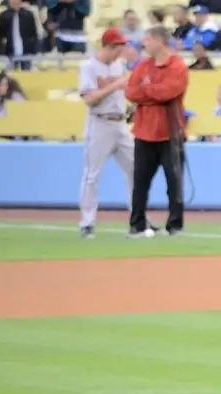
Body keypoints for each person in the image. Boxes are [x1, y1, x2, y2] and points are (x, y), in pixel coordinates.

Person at [126, 25, 189, 237]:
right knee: (140, 182)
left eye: (147, 39)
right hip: (144, 132)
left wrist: (146, 91)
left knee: (174, 182)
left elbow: (169, 92)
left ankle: (175, 225)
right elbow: (131, 92)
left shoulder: (178, 66)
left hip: (170, 133)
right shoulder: (142, 66)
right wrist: (152, 92)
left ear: (159, 41)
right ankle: (137, 224)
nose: (144, 43)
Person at [77, 28, 136, 239]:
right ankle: (87, 223)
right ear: (110, 46)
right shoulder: (89, 67)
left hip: (120, 123)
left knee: (136, 169)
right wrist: (114, 87)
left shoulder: (119, 65)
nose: (123, 50)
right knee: (92, 175)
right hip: (99, 122)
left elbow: (124, 92)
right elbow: (89, 99)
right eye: (120, 46)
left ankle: (137, 219)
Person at [0, 0, 40, 71]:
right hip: (10, 49)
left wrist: (34, 48)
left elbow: (34, 33)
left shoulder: (28, 14)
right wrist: (1, 51)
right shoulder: (4, 15)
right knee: (10, 73)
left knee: (27, 71)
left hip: (26, 49)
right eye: (13, 2)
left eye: (17, 2)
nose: (15, 4)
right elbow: (0, 35)